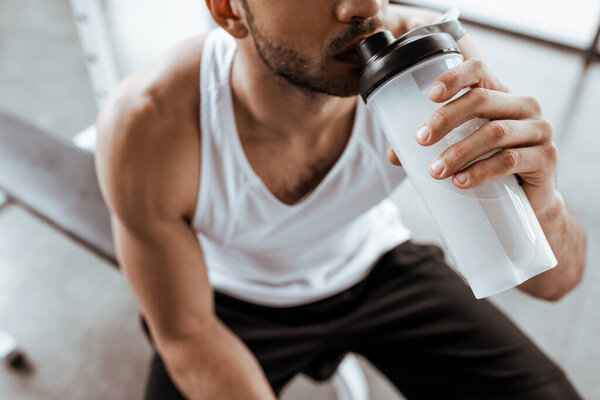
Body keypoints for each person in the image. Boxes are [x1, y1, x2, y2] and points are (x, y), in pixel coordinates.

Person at [95, 1, 587, 399]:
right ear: (229, 11)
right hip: (230, 302)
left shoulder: (428, 66)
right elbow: (185, 334)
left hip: (376, 266)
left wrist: (540, 202)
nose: (366, 7)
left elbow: (555, 284)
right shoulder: (150, 125)